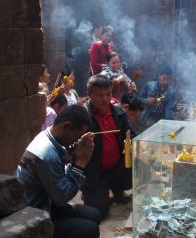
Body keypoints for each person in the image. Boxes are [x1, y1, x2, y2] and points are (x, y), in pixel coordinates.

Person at [16, 105, 100, 238]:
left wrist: (75, 151)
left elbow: (63, 158)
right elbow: (62, 197)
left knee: (94, 214)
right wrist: (80, 164)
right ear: (66, 126)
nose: (77, 140)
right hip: (35, 213)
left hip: (47, 201)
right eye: (77, 136)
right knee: (90, 229)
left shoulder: (47, 135)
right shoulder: (46, 156)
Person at [81, 75, 132, 219]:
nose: (105, 99)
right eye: (99, 95)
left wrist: (133, 145)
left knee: (135, 164)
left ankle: (117, 189)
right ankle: (89, 192)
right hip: (95, 171)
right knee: (99, 212)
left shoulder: (119, 113)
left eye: (108, 94)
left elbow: (129, 134)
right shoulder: (83, 117)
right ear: (90, 94)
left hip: (116, 165)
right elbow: (71, 146)